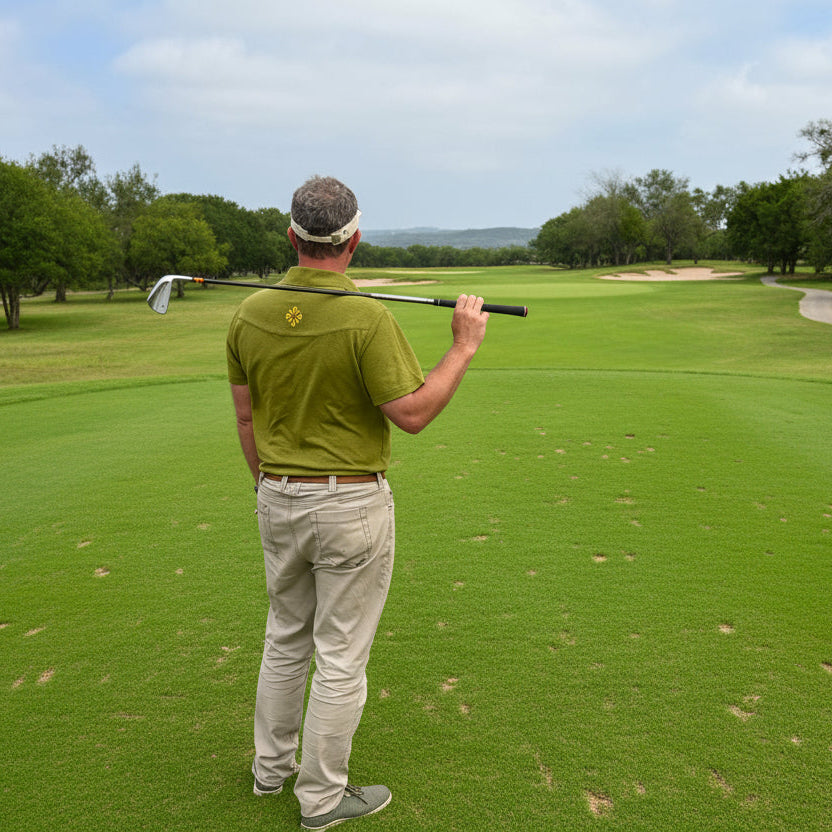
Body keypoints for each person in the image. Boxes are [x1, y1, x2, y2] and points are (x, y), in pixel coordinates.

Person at [226, 175, 489, 829]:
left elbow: (245, 420)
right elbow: (414, 414)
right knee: (340, 654)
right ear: (355, 239)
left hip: (276, 494)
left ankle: (270, 772)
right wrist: (463, 345)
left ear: (292, 237)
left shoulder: (248, 313)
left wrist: (269, 486)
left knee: (286, 638)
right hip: (348, 505)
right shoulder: (368, 316)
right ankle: (320, 801)